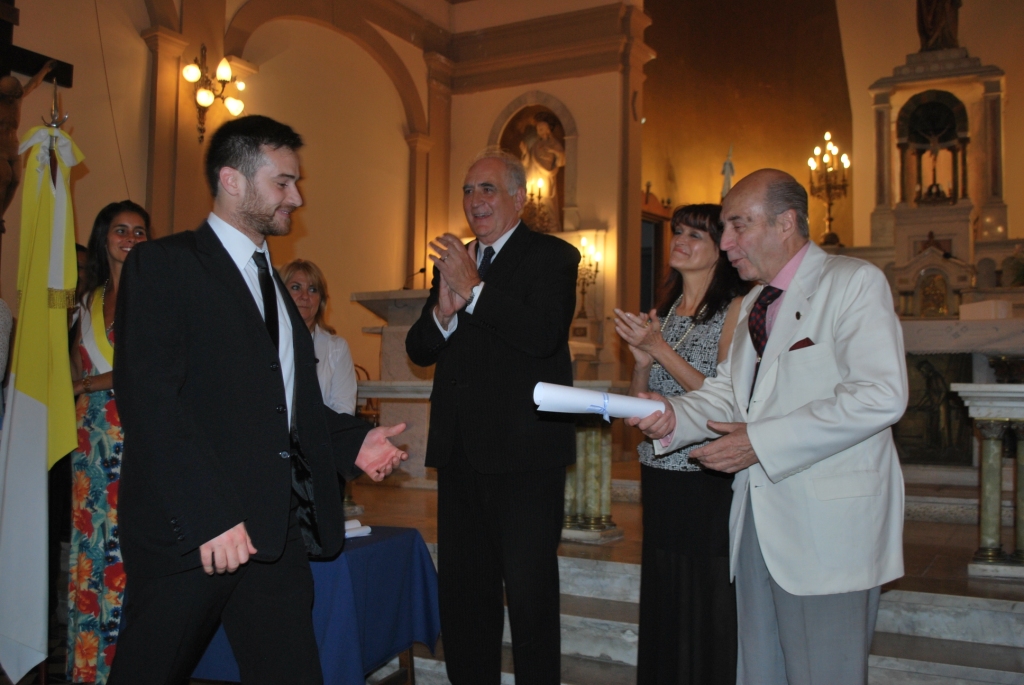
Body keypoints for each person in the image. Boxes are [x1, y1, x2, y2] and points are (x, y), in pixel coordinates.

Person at [109, 115, 407, 685]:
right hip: (196, 533)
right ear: (233, 180)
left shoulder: (271, 281)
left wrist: (352, 442)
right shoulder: (165, 265)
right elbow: (150, 399)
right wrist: (210, 517)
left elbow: (284, 402)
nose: (296, 197)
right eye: (283, 182)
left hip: (272, 533)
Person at [632, 169, 908, 685]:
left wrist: (759, 442)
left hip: (826, 529)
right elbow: (729, 394)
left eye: (738, 225)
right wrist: (672, 418)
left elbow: (880, 394)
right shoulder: (757, 302)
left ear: (787, 223)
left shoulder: (851, 282)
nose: (727, 242)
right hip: (755, 521)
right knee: (761, 673)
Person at [405, 148, 580, 685]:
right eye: (467, 190)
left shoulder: (553, 256)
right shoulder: (455, 261)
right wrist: (443, 311)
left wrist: (475, 290)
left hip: (525, 459)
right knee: (464, 598)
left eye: (487, 189)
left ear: (518, 198)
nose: (474, 200)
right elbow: (418, 348)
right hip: (461, 458)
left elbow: (541, 334)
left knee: (528, 598)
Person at [613, 204, 748, 685]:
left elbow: (724, 403)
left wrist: (660, 350)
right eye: (677, 231)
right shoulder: (666, 313)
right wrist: (640, 361)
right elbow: (637, 405)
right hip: (658, 468)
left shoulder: (736, 309)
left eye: (695, 234)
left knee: (705, 589)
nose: (680, 240)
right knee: (664, 584)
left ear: (721, 252)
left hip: (705, 470)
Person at [65, 201, 149, 683]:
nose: (131, 239)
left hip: (131, 434)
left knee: (122, 551)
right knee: (90, 547)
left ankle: (124, 667)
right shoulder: (87, 300)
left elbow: (146, 371)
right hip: (87, 439)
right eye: (121, 230)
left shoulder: (154, 296)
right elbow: (76, 366)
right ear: (104, 238)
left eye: (140, 232)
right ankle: (87, 666)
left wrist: (89, 385)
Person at [281, 259, 358, 414]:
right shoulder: (266, 342)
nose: (305, 296)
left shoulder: (336, 348)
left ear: (321, 300)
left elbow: (344, 409)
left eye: (313, 290)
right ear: (280, 294)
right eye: (296, 287)